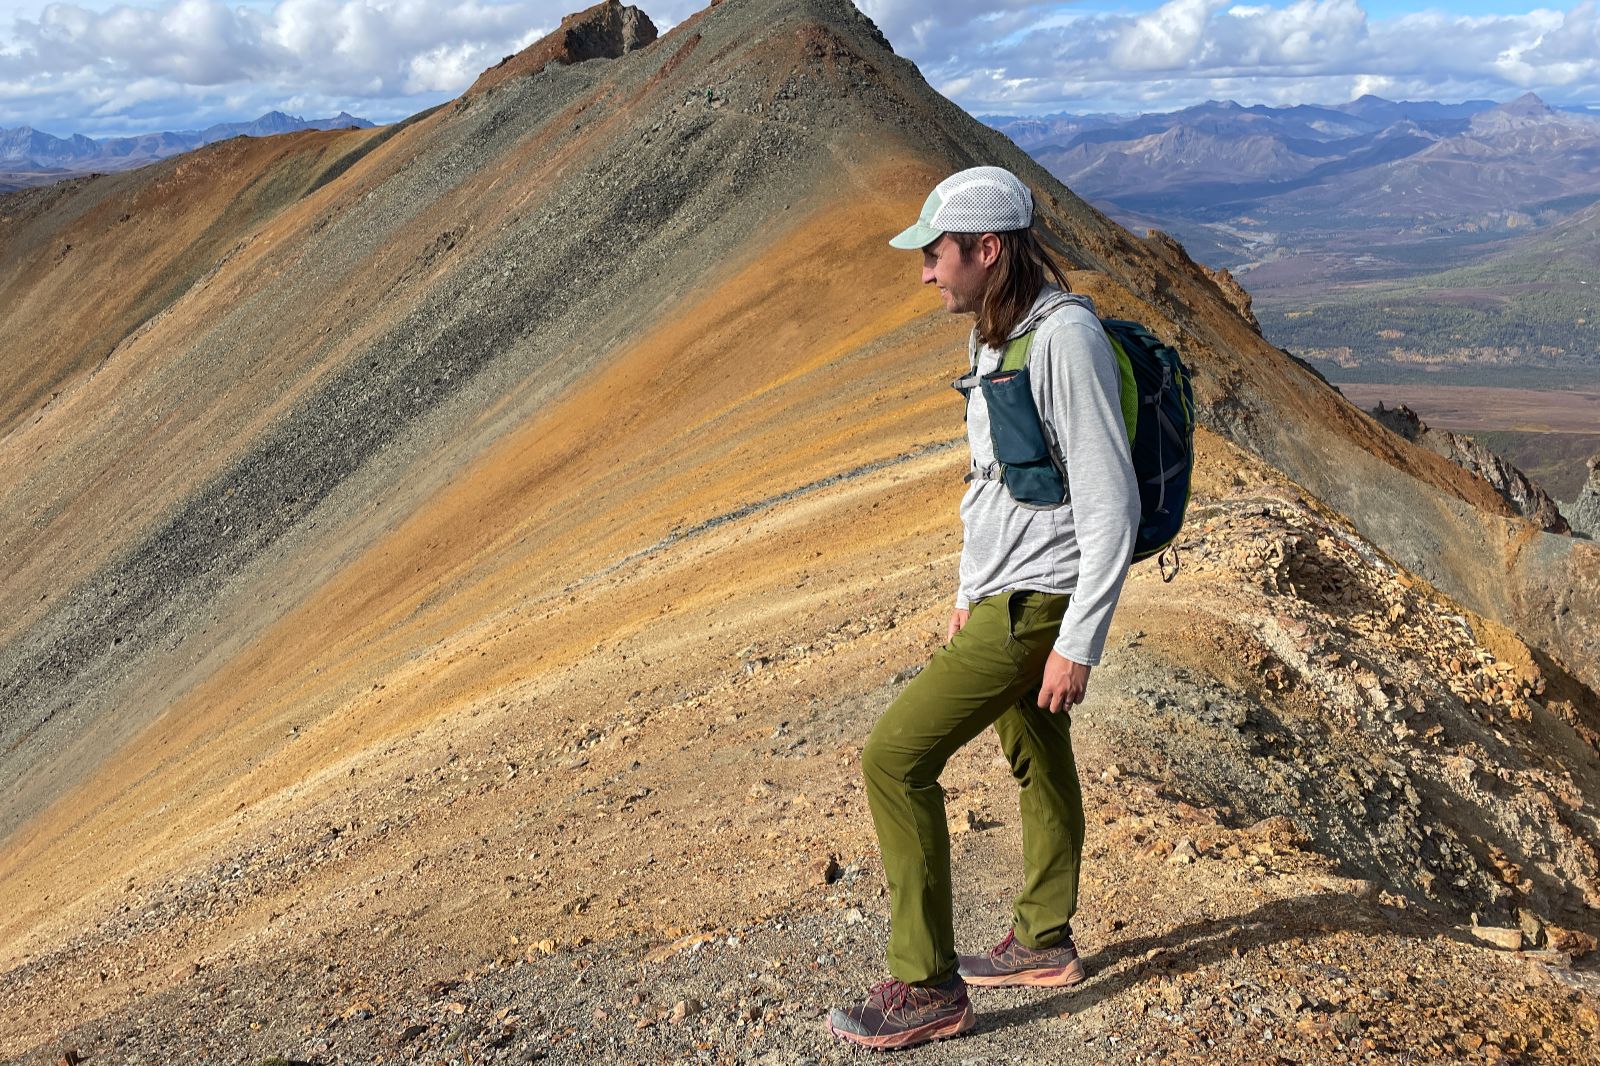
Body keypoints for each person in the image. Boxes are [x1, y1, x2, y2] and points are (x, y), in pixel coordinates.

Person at [826, 166, 1141, 1050]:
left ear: (986, 250)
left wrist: (1079, 640)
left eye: (936, 254)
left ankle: (926, 986)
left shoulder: (1063, 340)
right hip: (1005, 597)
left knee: (894, 757)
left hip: (1040, 604)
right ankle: (1044, 940)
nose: (926, 272)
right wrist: (968, 591)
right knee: (1034, 750)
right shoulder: (999, 335)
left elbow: (1109, 499)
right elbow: (994, 484)